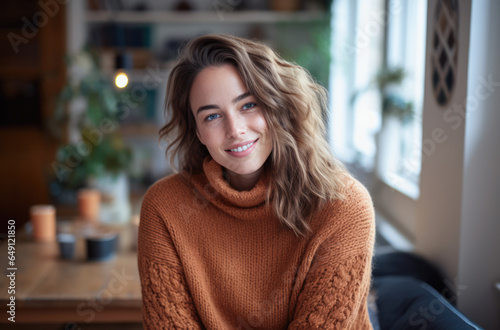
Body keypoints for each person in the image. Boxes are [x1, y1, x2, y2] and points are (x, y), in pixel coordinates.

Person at [137, 34, 376, 329]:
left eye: (248, 105)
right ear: (197, 132)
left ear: (278, 107)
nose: (235, 130)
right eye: (212, 116)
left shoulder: (344, 205)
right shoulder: (165, 207)